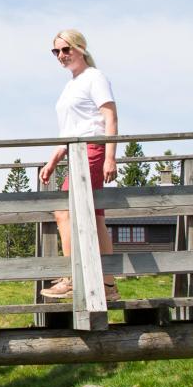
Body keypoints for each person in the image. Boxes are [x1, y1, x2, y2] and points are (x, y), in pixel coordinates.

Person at [35, 29, 118, 303]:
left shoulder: (95, 77)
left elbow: (110, 117)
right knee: (96, 216)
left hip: (92, 150)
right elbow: (68, 132)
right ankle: (108, 285)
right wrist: (52, 161)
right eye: (56, 51)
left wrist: (110, 156)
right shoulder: (71, 85)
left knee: (63, 211)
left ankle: (72, 278)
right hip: (76, 153)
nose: (61, 55)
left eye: (66, 49)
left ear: (80, 48)